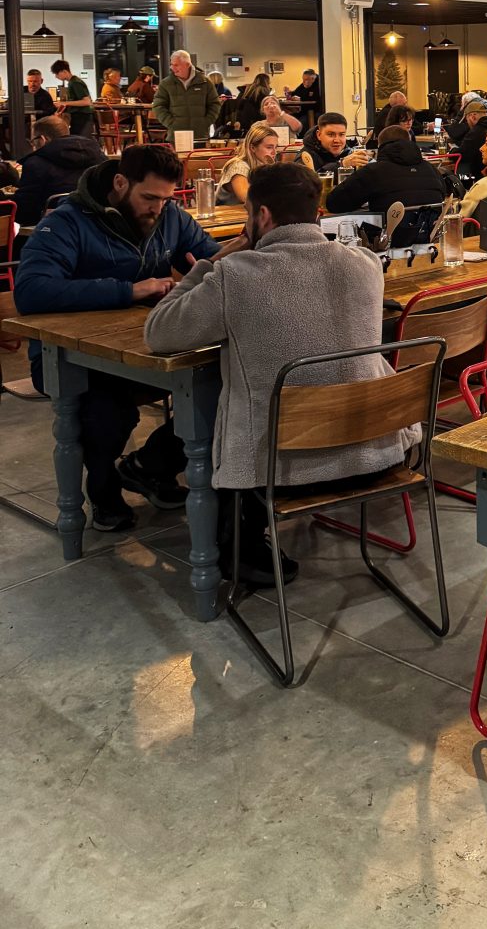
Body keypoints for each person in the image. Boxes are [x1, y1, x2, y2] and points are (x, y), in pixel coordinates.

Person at [144, 160, 420, 586]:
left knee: (236, 395)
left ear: (263, 215)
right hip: (377, 454)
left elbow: (159, 333)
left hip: (281, 475)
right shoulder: (364, 265)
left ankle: (240, 547)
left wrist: (210, 262)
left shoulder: (234, 276)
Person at [13, 142, 221, 531]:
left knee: (224, 383)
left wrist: (225, 265)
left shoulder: (171, 217)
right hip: (68, 356)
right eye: (149, 198)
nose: (158, 208)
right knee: (108, 411)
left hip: (141, 345)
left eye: (166, 199)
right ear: (120, 183)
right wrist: (129, 290)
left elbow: (206, 258)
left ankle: (151, 466)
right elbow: (31, 291)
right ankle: (104, 487)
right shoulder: (66, 221)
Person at [326, 124, 450, 241]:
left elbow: (333, 203)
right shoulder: (432, 170)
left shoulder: (373, 172)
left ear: (380, 147)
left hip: (386, 242)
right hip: (429, 240)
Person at [2, 114, 105, 227]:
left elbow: (24, 211)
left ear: (42, 139)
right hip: (95, 225)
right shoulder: (98, 156)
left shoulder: (36, 164)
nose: (33, 146)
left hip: (50, 228)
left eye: (33, 141)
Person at [153, 49, 221, 139]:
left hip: (200, 135)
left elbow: (214, 104)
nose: (172, 68)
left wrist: (205, 122)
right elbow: (158, 106)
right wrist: (171, 123)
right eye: (171, 64)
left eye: (176, 65)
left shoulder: (205, 82)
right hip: (176, 136)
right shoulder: (166, 84)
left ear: (187, 65)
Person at [215, 121, 280, 205]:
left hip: (249, 214)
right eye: (269, 147)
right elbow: (245, 197)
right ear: (252, 147)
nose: (274, 152)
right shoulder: (238, 166)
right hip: (227, 215)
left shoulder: (264, 165)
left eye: (276, 147)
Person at [301, 111, 369, 173]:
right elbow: (307, 183)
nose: (336, 140)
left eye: (341, 134)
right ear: (319, 135)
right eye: (330, 134)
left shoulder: (349, 152)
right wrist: (342, 164)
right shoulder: (306, 155)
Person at [50, 59, 96, 137]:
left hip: (83, 116)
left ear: (64, 71)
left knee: (79, 139)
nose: (56, 76)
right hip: (79, 116)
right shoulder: (72, 82)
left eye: (57, 74)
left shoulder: (75, 82)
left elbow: (86, 102)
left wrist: (64, 103)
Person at [454, 101, 487, 177]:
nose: (467, 123)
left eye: (466, 120)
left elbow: (461, 154)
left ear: (473, 117)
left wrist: (451, 151)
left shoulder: (476, 131)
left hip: (484, 177)